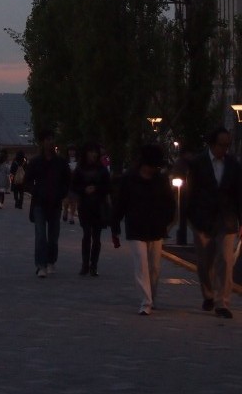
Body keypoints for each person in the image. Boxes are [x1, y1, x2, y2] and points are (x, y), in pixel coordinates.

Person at [111, 143, 175, 315]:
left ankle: (151, 297)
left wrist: (168, 220)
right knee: (141, 264)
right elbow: (120, 204)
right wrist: (115, 225)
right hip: (136, 226)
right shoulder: (129, 179)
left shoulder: (160, 180)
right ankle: (145, 301)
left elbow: (170, 203)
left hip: (156, 227)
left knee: (154, 267)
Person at [186, 125, 242, 319]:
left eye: (228, 145)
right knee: (204, 262)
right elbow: (190, 193)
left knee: (226, 261)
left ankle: (222, 302)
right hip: (202, 218)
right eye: (221, 145)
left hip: (226, 219)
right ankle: (208, 294)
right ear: (212, 144)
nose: (224, 149)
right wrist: (189, 218)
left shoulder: (233, 165)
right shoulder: (198, 163)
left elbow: (239, 194)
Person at [23, 129, 70, 277]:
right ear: (42, 142)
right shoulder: (36, 162)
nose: (51, 142)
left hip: (55, 203)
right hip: (39, 203)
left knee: (54, 236)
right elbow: (27, 180)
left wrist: (62, 194)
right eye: (48, 139)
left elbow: (67, 181)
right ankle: (41, 265)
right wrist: (35, 190)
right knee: (41, 235)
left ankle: (51, 262)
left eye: (52, 139)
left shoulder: (61, 162)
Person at [72, 142, 111, 276]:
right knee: (87, 234)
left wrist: (97, 188)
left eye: (95, 152)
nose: (93, 155)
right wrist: (84, 190)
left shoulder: (102, 170)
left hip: (98, 205)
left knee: (97, 237)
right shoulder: (80, 169)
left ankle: (94, 265)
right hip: (85, 205)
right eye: (91, 152)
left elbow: (108, 187)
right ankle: (85, 264)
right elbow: (74, 186)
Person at [62, 145, 78, 225]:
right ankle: (65, 210)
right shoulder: (65, 161)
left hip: (75, 183)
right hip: (67, 183)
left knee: (74, 201)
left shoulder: (79, 161)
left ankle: (71, 217)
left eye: (73, 150)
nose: (72, 152)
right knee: (66, 200)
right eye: (70, 150)